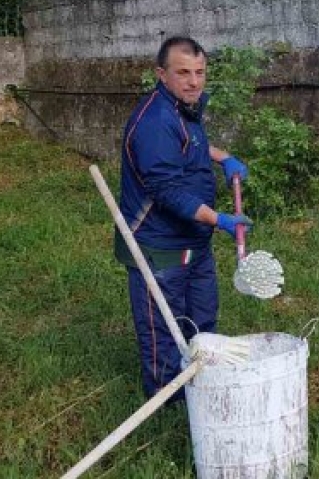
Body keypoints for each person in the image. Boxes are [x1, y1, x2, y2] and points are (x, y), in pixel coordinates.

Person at [116, 35, 252, 399]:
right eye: (183, 73)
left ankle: (202, 390)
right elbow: (166, 190)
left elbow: (189, 144)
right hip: (157, 245)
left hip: (193, 241)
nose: (194, 81)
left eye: (200, 72)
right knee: (165, 331)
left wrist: (222, 158)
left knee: (202, 321)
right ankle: (169, 404)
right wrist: (219, 219)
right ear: (161, 74)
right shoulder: (154, 121)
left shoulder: (182, 108)